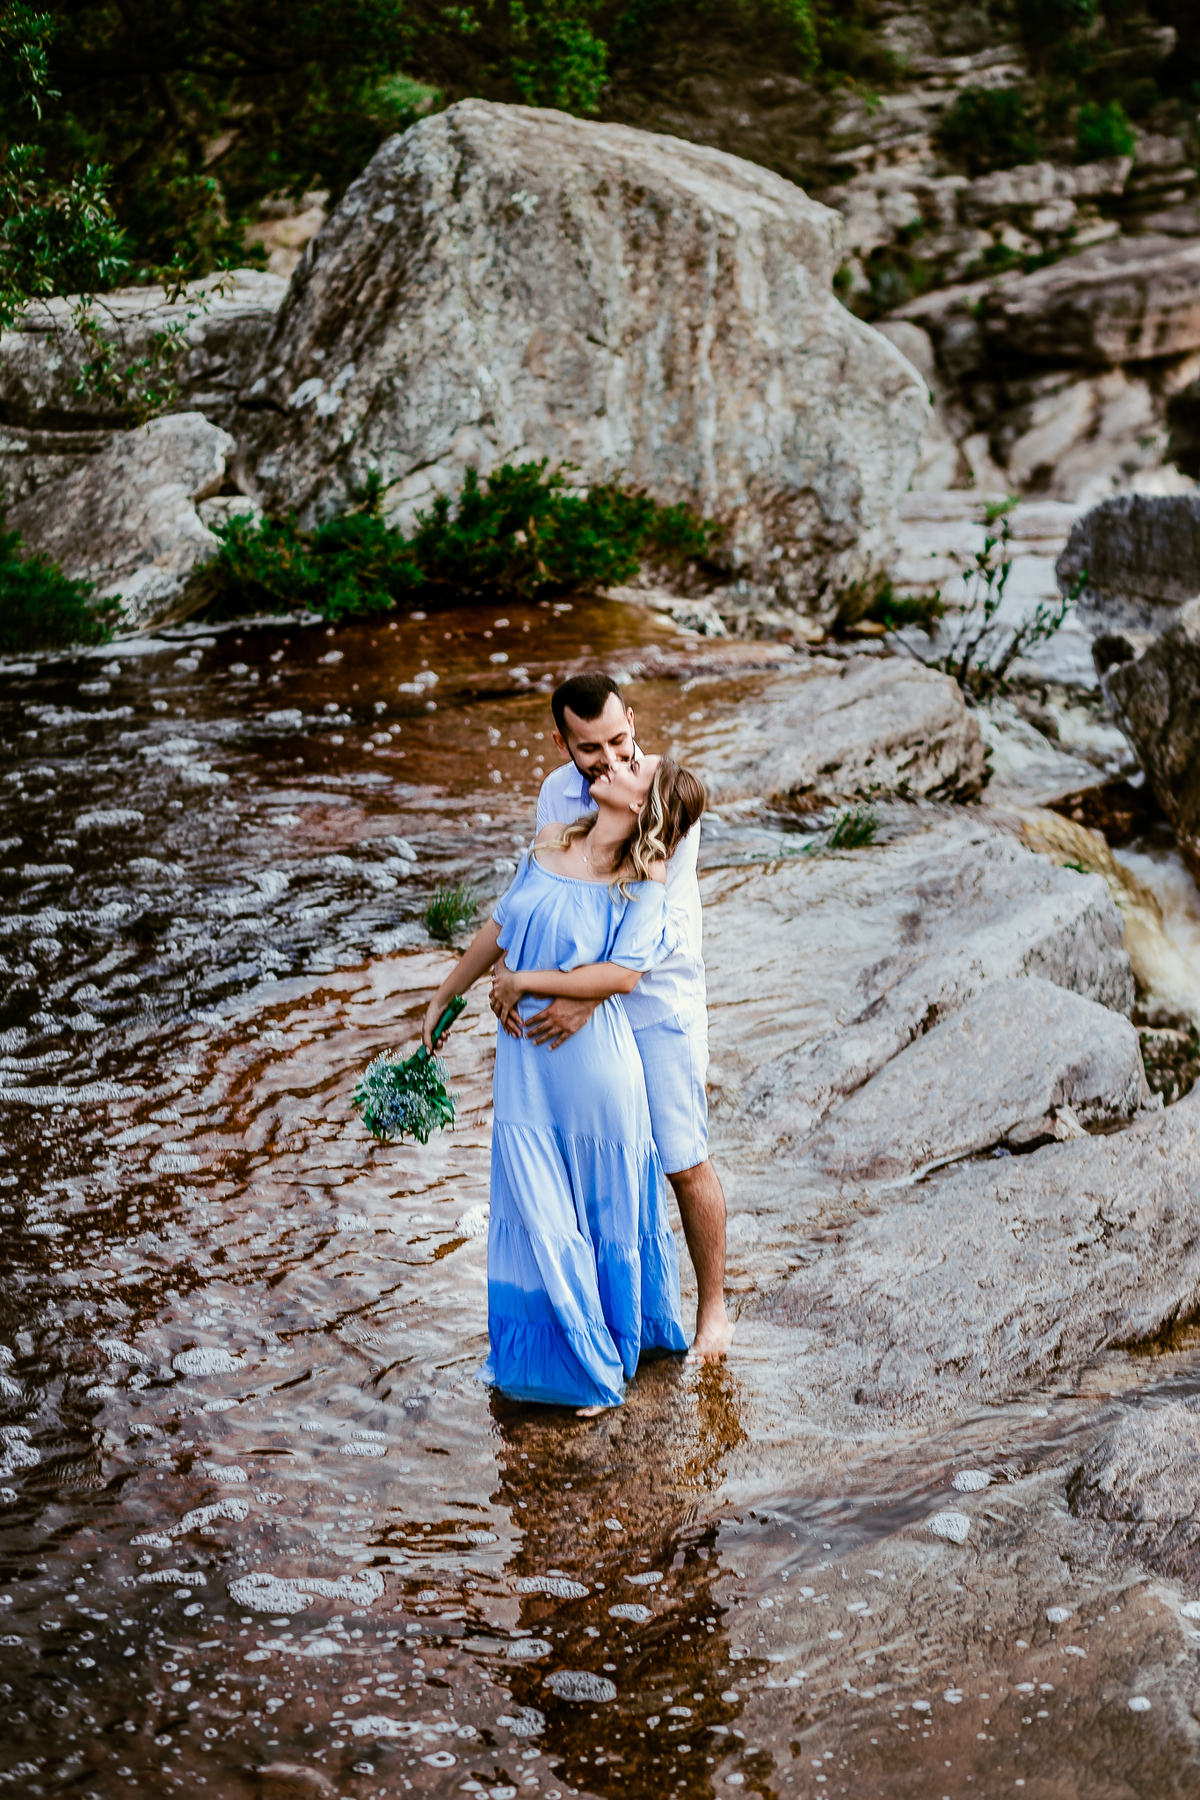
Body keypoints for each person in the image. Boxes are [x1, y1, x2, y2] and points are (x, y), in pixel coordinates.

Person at [422, 754, 706, 1415]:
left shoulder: (642, 877)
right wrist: (446, 993)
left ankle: (596, 1374)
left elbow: (622, 976)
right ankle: (552, 1356)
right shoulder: (554, 840)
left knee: (594, 1211)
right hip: (526, 1067)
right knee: (535, 1205)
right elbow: (502, 924)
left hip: (592, 1070)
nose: (611, 763)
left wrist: (526, 982)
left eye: (630, 766)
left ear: (643, 806)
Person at [499, 671, 733, 1362]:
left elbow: (649, 933)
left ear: (632, 718)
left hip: (656, 997)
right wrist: (520, 980)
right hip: (583, 992)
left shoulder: (664, 792)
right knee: (591, 1159)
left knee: (681, 1156)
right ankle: (611, 1314)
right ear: (561, 741)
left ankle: (714, 1311)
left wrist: (580, 999)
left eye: (619, 739)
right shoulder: (553, 793)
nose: (609, 760)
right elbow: (551, 893)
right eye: (588, 749)